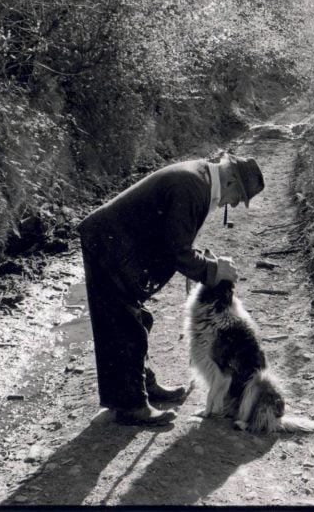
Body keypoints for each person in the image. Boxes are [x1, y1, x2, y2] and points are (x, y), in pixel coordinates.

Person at [77, 153, 265, 425]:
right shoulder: (191, 187)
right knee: (122, 325)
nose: (235, 203)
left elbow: (172, 237)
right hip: (109, 245)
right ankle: (130, 405)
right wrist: (214, 271)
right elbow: (176, 251)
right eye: (240, 196)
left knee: (137, 319)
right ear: (231, 179)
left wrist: (210, 264)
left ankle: (143, 385)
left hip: (116, 243)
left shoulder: (198, 179)